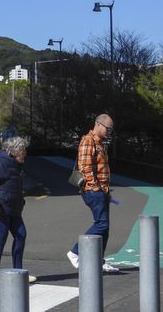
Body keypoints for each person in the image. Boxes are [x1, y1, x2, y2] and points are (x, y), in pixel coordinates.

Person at [0, 136, 36, 285]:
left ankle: (18, 272)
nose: (25, 154)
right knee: (0, 239)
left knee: (21, 235)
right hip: (0, 209)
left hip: (13, 209)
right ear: (15, 151)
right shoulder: (1, 164)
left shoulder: (15, 164)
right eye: (23, 151)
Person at [66, 113, 119, 273]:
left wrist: (105, 191)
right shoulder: (88, 141)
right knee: (101, 224)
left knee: (105, 227)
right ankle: (75, 252)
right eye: (107, 129)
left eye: (111, 130)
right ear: (98, 124)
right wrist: (96, 188)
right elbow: (85, 168)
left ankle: (98, 261)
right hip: (92, 191)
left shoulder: (101, 143)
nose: (109, 132)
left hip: (102, 190)